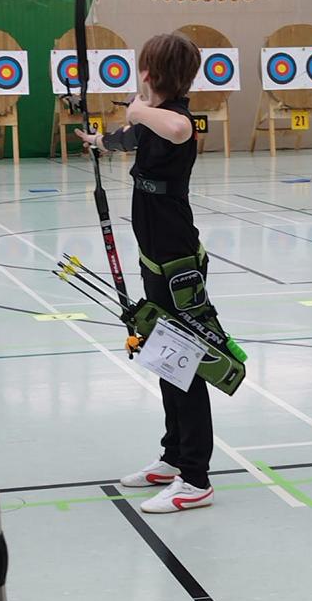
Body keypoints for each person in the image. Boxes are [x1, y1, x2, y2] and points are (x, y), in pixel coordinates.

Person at [75, 32, 214, 514]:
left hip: (177, 263)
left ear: (150, 74)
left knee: (185, 363)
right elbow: (129, 139)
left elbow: (177, 128)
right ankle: (174, 458)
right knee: (164, 358)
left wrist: (136, 109)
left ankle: (196, 479)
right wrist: (99, 141)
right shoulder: (153, 119)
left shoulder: (176, 117)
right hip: (156, 257)